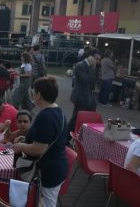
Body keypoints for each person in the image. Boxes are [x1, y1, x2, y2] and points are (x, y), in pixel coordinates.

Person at [12, 77, 67, 207]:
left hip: (48, 170)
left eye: (34, 92)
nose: (33, 95)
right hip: (57, 167)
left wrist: (21, 146)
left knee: (47, 203)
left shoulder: (45, 116)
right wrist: (25, 140)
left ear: (38, 95)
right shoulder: (58, 111)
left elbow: (39, 149)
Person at [68, 49, 101, 138]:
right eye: (96, 59)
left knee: (88, 119)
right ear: (90, 57)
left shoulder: (90, 67)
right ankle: (66, 137)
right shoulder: (80, 66)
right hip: (80, 96)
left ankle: (82, 138)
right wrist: (93, 69)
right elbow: (86, 80)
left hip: (89, 98)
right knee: (76, 118)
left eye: (98, 59)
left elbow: (93, 82)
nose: (97, 61)